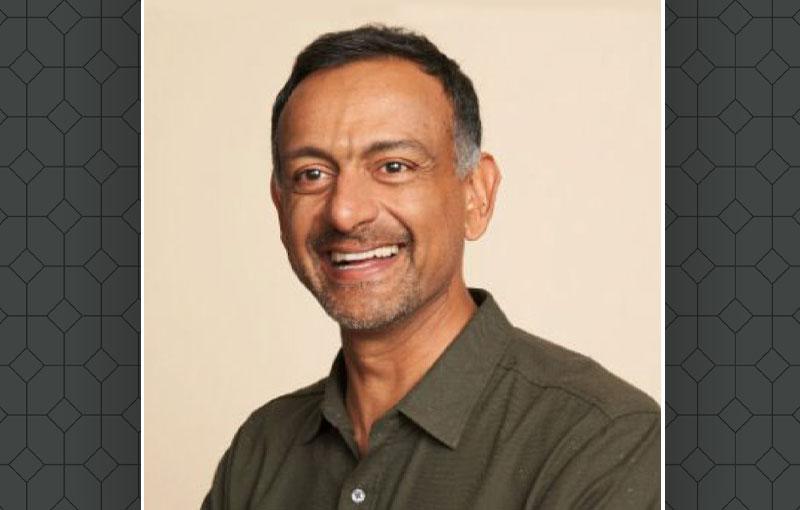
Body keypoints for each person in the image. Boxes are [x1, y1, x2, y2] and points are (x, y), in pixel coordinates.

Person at [202, 24, 659, 509]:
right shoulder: (261, 450)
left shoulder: (601, 443)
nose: (345, 211)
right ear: (280, 205)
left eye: (393, 166)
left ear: (475, 195)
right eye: (312, 175)